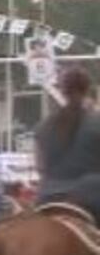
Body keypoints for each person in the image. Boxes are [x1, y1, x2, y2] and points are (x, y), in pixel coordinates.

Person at [35, 68, 100, 222]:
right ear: (87, 89)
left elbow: (40, 167)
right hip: (92, 197)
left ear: (63, 91)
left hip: (46, 197)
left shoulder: (43, 126)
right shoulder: (97, 122)